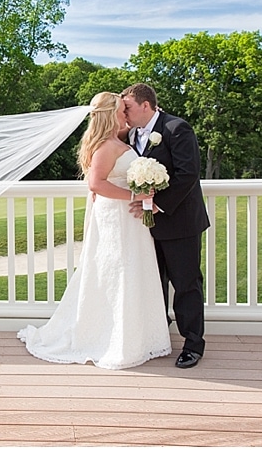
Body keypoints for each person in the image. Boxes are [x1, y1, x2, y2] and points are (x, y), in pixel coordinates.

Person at [17, 92, 172, 369]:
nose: (126, 113)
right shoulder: (105, 146)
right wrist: (134, 197)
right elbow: (96, 184)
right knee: (116, 273)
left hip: (129, 220)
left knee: (131, 272)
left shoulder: (117, 142)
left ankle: (137, 338)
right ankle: (109, 338)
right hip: (116, 218)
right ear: (111, 114)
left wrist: (144, 193)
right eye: (122, 110)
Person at [122, 83, 210, 368]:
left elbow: (188, 174)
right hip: (144, 226)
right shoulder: (130, 134)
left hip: (179, 221)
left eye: (129, 107)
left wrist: (158, 204)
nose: (125, 113)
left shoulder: (176, 128)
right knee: (153, 283)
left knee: (186, 284)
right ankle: (158, 337)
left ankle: (193, 344)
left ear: (145, 106)